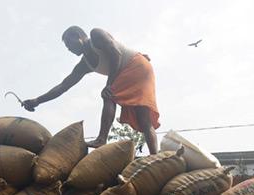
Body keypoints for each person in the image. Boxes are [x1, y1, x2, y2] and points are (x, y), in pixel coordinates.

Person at [22, 26, 160, 155]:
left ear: (78, 37)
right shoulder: (84, 64)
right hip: (137, 70)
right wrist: (37, 101)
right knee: (143, 119)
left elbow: (116, 54)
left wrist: (109, 84)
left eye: (69, 44)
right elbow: (64, 86)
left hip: (136, 65)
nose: (69, 49)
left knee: (108, 95)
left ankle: (101, 139)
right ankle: (155, 155)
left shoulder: (96, 35)